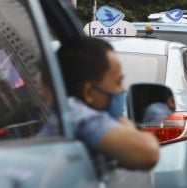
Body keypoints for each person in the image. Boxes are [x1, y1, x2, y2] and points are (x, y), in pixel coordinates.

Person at [58, 37, 159, 170]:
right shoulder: (80, 114)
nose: (122, 90)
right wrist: (128, 127)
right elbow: (149, 153)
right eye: (117, 82)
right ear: (88, 92)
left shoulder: (64, 111)